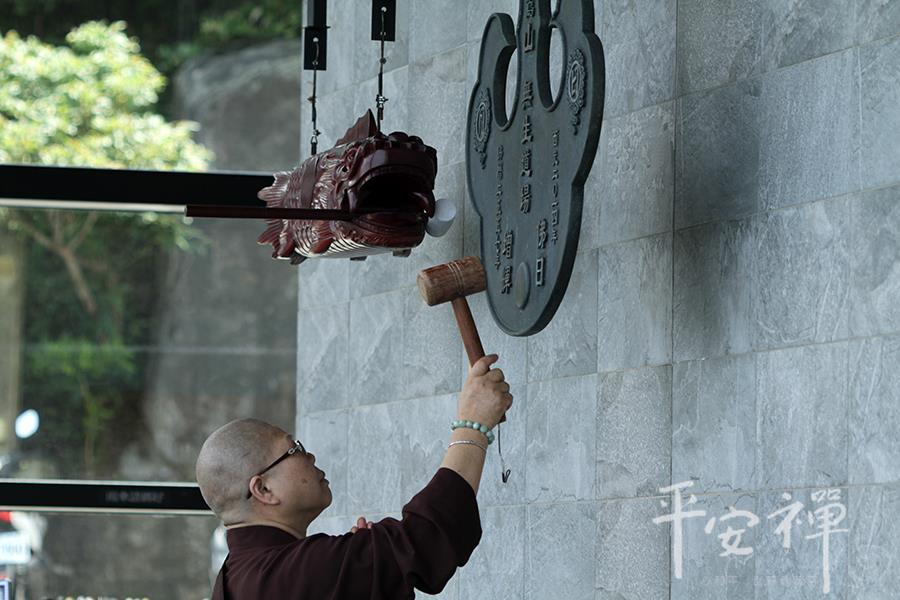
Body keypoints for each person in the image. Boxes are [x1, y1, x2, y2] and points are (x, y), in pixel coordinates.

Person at [196, 353, 512, 599]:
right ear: (263, 489)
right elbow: (425, 539)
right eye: (294, 449)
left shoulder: (236, 579)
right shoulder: (294, 571)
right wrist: (473, 424)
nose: (310, 456)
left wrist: (357, 571)